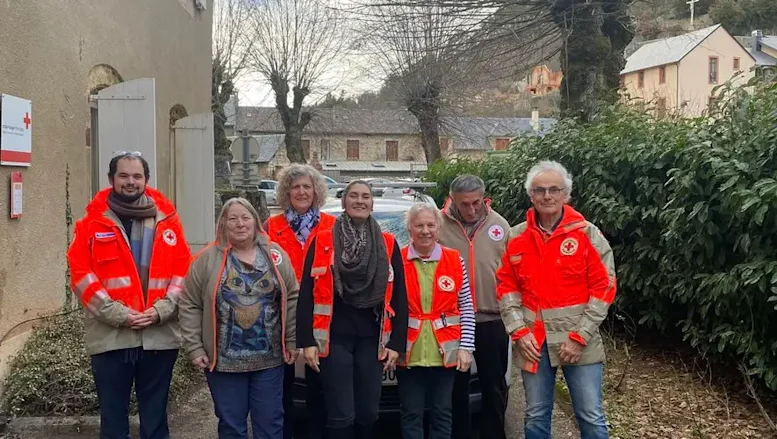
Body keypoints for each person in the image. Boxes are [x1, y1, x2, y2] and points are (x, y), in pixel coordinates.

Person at [66, 151, 191, 439]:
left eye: (137, 176)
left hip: (158, 334)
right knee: (113, 420)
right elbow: (81, 275)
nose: (130, 182)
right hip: (111, 336)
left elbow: (183, 271)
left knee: (155, 419)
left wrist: (162, 310)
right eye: (123, 176)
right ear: (111, 179)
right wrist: (119, 314)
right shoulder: (91, 223)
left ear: (146, 179)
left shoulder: (169, 221)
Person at [496, 161, 616, 439]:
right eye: (540, 190)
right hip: (532, 342)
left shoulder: (587, 234)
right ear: (531, 195)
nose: (547, 196)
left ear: (566, 194)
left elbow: (605, 287)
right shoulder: (516, 237)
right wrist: (518, 331)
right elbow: (506, 287)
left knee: (590, 416)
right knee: (535, 415)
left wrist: (580, 336)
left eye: (554, 189)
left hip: (579, 340)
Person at [179, 198, 299, 439]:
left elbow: (293, 296)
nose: (240, 224)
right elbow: (189, 303)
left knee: (270, 424)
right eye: (232, 218)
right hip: (224, 364)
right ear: (223, 223)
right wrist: (194, 347)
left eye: (245, 217)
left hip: (269, 361)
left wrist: (292, 339)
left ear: (256, 221)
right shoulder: (206, 259)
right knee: (231, 427)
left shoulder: (275, 254)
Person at [297, 180, 409, 439]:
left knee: (368, 412)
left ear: (372, 203)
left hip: (373, 339)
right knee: (341, 414)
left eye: (365, 196)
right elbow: (306, 295)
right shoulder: (322, 241)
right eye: (354, 196)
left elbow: (399, 296)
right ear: (344, 202)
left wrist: (397, 343)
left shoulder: (388, 243)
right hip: (335, 338)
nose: (360, 201)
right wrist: (307, 341)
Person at [264, 164, 336, 439]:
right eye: (296, 187)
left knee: (319, 385)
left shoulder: (332, 226)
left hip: (321, 315)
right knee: (282, 386)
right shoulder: (271, 227)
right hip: (281, 316)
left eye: (307, 186)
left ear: (316, 191)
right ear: (286, 192)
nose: (302, 192)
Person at [438, 174, 511, 439]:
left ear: (483, 198)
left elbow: (512, 271)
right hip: (453, 321)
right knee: (455, 390)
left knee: (494, 388)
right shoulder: (438, 224)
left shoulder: (500, 225)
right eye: (464, 204)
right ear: (452, 199)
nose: (471, 209)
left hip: (492, 319)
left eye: (476, 203)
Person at [397, 203, 476, 439]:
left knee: (442, 413)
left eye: (431, 225)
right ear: (409, 229)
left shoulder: (454, 259)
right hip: (408, 353)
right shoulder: (397, 260)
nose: (425, 231)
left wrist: (466, 347)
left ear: (438, 228)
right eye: (419, 225)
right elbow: (387, 308)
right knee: (411, 414)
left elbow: (466, 306)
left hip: (445, 354)